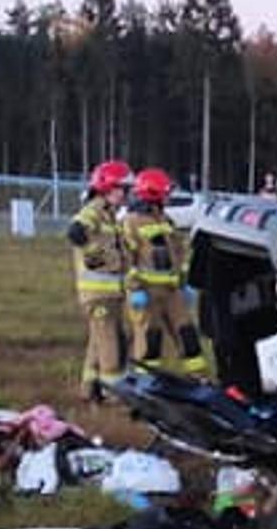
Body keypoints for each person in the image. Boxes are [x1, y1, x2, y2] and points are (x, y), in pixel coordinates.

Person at [123, 168, 210, 377]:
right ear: (152, 193)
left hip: (172, 292)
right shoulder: (131, 222)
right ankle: (145, 385)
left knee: (187, 335)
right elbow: (125, 260)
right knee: (150, 340)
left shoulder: (165, 220)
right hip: (147, 294)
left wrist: (185, 281)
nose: (168, 196)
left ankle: (200, 380)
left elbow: (178, 254)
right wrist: (134, 289)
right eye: (165, 192)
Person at [67, 161, 133, 402]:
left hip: (110, 293)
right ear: (107, 187)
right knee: (110, 344)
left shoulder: (109, 214)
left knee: (98, 341)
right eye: (122, 189)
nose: (126, 194)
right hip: (98, 294)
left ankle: (88, 389)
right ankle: (113, 394)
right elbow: (75, 232)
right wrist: (97, 255)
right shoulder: (93, 211)